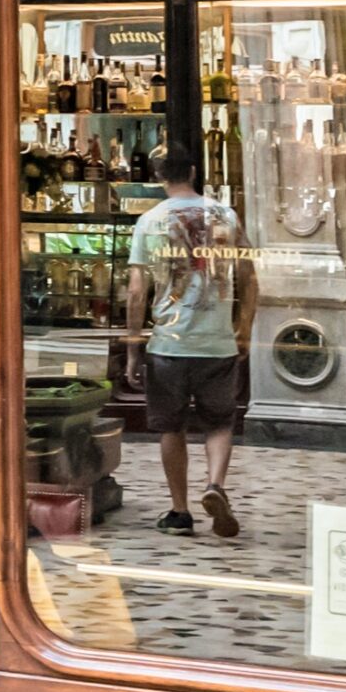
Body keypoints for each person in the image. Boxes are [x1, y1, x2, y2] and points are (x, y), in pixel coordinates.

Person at [124, 148, 254, 538]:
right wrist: (244, 328)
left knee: (172, 427)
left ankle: (180, 512)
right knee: (220, 422)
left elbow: (136, 291)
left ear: (159, 177)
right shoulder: (226, 215)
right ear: (194, 171)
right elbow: (249, 277)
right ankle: (214, 484)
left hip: (169, 344)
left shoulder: (149, 220)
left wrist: (132, 346)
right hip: (217, 341)